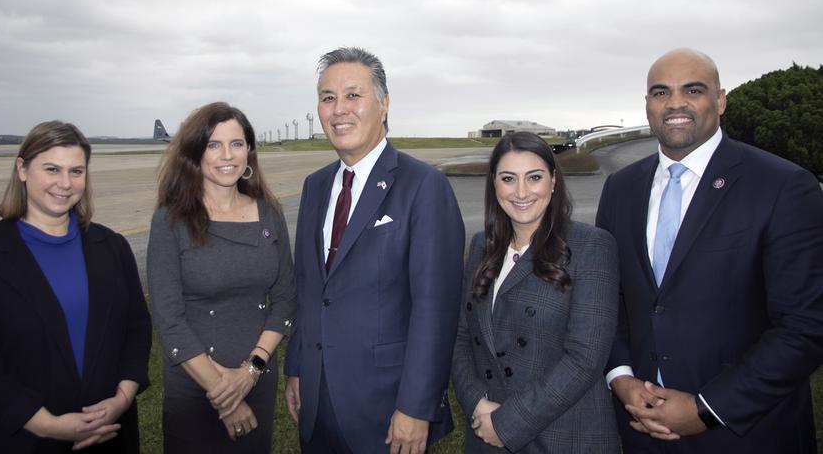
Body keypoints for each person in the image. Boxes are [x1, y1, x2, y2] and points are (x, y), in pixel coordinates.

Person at [596, 48, 823, 453]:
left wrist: (706, 409)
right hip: (641, 429)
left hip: (745, 433)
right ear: (647, 106)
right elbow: (608, 299)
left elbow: (805, 327)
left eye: (693, 90)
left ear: (720, 100)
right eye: (661, 92)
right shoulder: (620, 189)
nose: (676, 103)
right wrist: (621, 377)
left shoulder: (783, 186)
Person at [283, 47, 465, 453]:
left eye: (353, 95)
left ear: (383, 105)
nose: (338, 109)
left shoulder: (423, 187)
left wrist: (416, 408)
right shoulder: (315, 186)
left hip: (386, 408)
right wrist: (297, 368)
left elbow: (435, 309)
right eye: (328, 98)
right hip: (317, 400)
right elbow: (310, 289)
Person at [0, 121, 152, 453]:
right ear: (22, 169)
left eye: (76, 171)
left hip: (109, 434)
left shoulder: (112, 247)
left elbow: (137, 328)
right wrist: (46, 425)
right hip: (18, 440)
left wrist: (123, 398)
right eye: (51, 169)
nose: (65, 183)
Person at [451, 132, 620, 452]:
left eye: (535, 177)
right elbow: (460, 336)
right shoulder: (480, 247)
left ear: (554, 181)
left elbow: (584, 360)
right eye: (508, 179)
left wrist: (508, 423)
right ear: (494, 184)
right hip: (487, 430)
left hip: (563, 435)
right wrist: (475, 402)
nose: (521, 192)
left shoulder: (591, 247)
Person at [146, 102, 295, 453]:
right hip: (194, 388)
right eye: (213, 145)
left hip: (257, 381)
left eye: (237, 144)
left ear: (249, 152)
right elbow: (169, 319)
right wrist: (225, 395)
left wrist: (251, 371)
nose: (227, 155)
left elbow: (287, 298)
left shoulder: (269, 214)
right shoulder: (171, 221)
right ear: (195, 153)